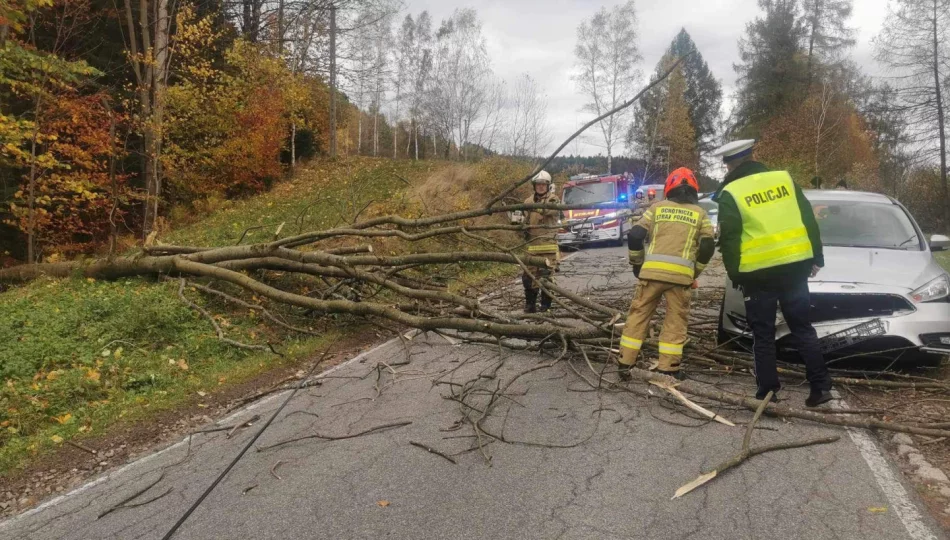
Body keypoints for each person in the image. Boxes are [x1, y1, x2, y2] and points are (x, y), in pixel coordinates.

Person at [712, 139, 833, 407]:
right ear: (754, 156)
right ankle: (821, 388)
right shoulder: (784, 180)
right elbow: (808, 219)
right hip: (794, 267)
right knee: (802, 328)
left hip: (758, 275)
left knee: (763, 335)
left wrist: (735, 275)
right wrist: (817, 258)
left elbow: (730, 239)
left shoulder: (731, 192)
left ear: (730, 164)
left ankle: (768, 394)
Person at [618, 168, 716, 380]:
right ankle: (668, 368)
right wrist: (694, 272)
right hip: (680, 279)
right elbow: (708, 246)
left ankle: (625, 363)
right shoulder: (700, 214)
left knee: (638, 317)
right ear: (693, 191)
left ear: (669, 189)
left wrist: (637, 266)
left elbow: (635, 235)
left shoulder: (657, 208)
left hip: (651, 275)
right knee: (675, 322)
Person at [521, 170, 560, 313]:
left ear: (548, 186)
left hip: (548, 249)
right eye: (538, 184)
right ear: (534, 186)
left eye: (543, 185)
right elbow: (525, 220)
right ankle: (530, 305)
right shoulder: (527, 201)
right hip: (531, 248)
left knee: (546, 278)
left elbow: (548, 211)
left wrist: (534, 207)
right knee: (528, 278)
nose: (541, 187)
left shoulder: (554, 200)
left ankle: (545, 306)